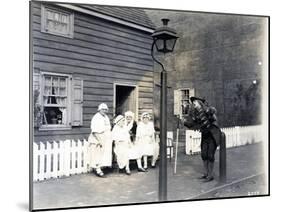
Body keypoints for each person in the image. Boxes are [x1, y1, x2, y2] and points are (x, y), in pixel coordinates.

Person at [183, 97, 221, 182]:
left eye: (195, 103)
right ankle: (205, 173)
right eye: (193, 104)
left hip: (212, 135)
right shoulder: (196, 115)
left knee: (210, 155)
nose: (194, 105)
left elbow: (214, 115)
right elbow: (192, 124)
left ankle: (210, 175)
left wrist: (210, 111)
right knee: (204, 154)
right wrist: (184, 122)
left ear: (199, 103)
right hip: (205, 135)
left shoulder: (207, 110)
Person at [88, 103, 112, 177]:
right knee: (97, 154)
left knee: (103, 154)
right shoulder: (96, 117)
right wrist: (100, 140)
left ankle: (102, 167)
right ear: (99, 109)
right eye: (103, 109)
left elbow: (107, 127)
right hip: (98, 137)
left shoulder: (105, 117)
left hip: (105, 137)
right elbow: (94, 131)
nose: (104, 111)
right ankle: (98, 170)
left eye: (105, 109)